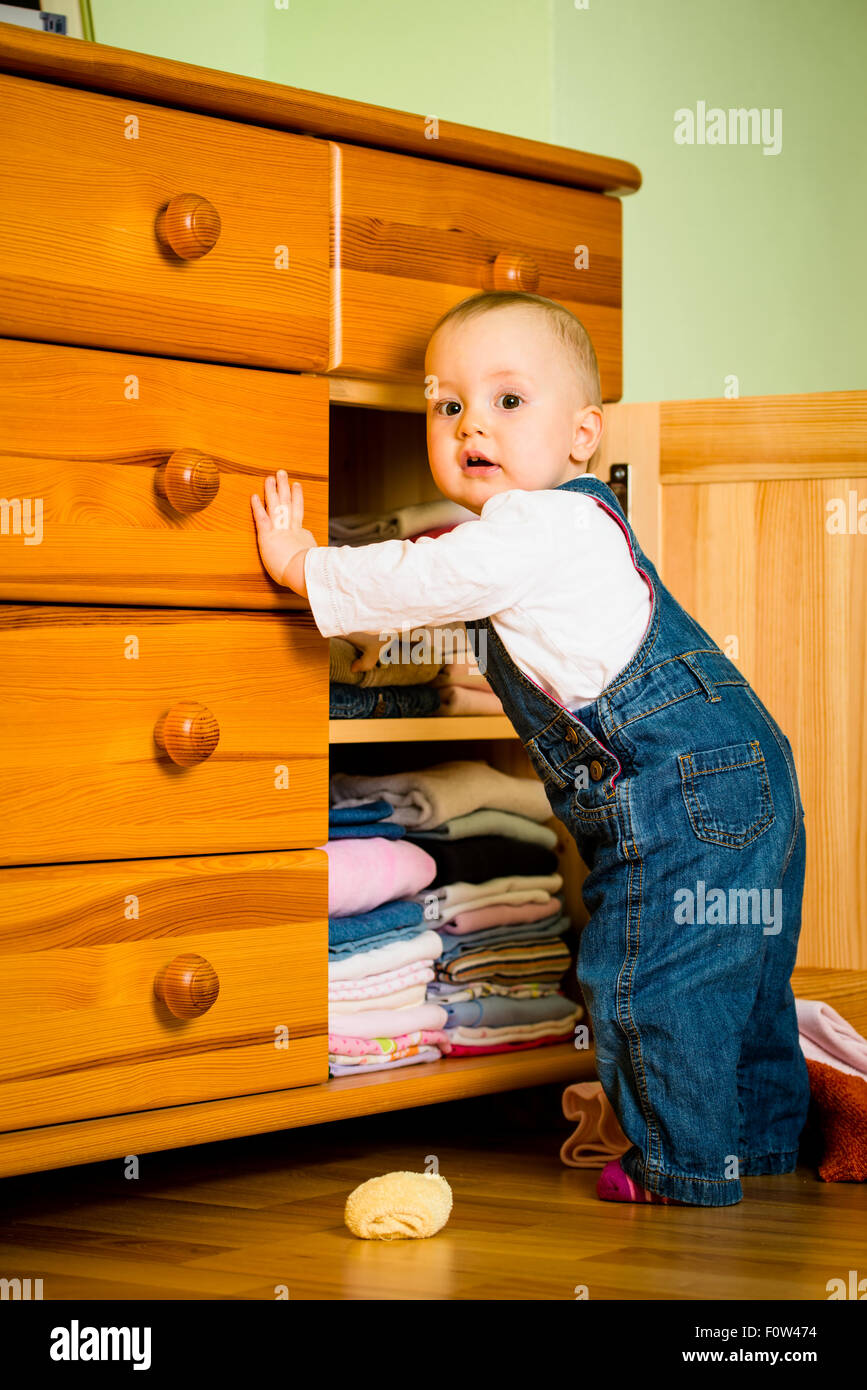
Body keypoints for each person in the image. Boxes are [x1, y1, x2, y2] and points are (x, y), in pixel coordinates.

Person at [250, 290, 810, 1207]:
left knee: (650, 979)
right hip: (744, 772)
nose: (472, 424)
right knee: (740, 978)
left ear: (583, 433)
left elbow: (429, 574)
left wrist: (305, 564)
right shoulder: (577, 526)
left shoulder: (531, 525)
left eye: (508, 401)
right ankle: (757, 1146)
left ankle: (685, 1169)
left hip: (678, 789)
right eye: (447, 405)